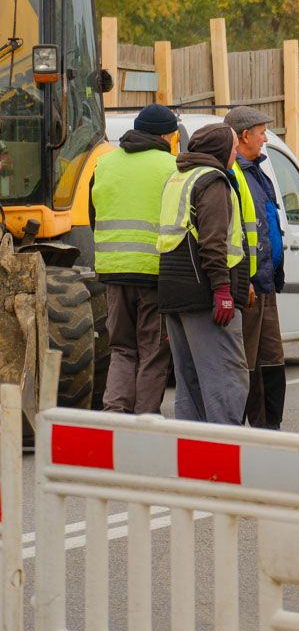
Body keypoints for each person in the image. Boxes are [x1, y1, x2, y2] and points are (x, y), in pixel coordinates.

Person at [157, 123, 251, 424]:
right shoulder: (213, 182)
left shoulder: (178, 177)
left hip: (175, 291)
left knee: (191, 385)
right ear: (221, 151)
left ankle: (193, 460)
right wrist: (222, 291)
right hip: (205, 295)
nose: (236, 155)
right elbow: (213, 243)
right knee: (226, 382)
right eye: (234, 149)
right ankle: (224, 460)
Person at [90, 104, 178, 414]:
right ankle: (144, 419)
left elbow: (94, 215)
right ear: (166, 135)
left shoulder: (105, 164)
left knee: (122, 349)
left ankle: (116, 413)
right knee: (153, 351)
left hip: (114, 272)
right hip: (154, 273)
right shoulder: (171, 166)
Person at [224, 106, 288, 429]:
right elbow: (236, 232)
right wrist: (244, 280)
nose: (265, 138)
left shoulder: (257, 171)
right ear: (245, 135)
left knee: (272, 359)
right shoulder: (233, 174)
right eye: (261, 132)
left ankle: (271, 427)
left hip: (266, 283)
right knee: (248, 362)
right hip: (249, 286)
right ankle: (254, 429)